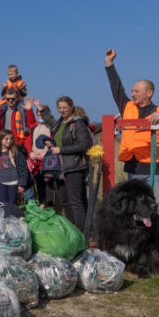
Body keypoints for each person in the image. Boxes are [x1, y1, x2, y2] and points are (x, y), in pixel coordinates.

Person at [105, 48, 159, 235]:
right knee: (136, 208)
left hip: (156, 168)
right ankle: (141, 240)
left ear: (149, 93)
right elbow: (116, 88)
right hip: (133, 168)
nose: (133, 93)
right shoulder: (127, 106)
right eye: (132, 91)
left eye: (137, 91)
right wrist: (109, 64)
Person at [37, 96, 91, 232]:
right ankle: (72, 229)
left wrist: (60, 150)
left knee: (76, 202)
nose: (62, 110)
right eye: (60, 108)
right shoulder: (61, 122)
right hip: (60, 168)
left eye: (65, 107)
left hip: (74, 167)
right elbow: (51, 121)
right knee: (66, 201)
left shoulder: (78, 123)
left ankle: (82, 232)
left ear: (72, 107)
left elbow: (84, 145)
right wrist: (41, 110)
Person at [0, 130, 31, 205]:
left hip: (13, 182)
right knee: (3, 204)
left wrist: (21, 184)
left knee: (12, 203)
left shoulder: (16, 152)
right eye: (6, 139)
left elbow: (23, 169)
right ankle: (6, 216)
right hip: (2, 182)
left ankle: (13, 216)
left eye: (11, 139)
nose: (9, 141)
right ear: (0, 139)